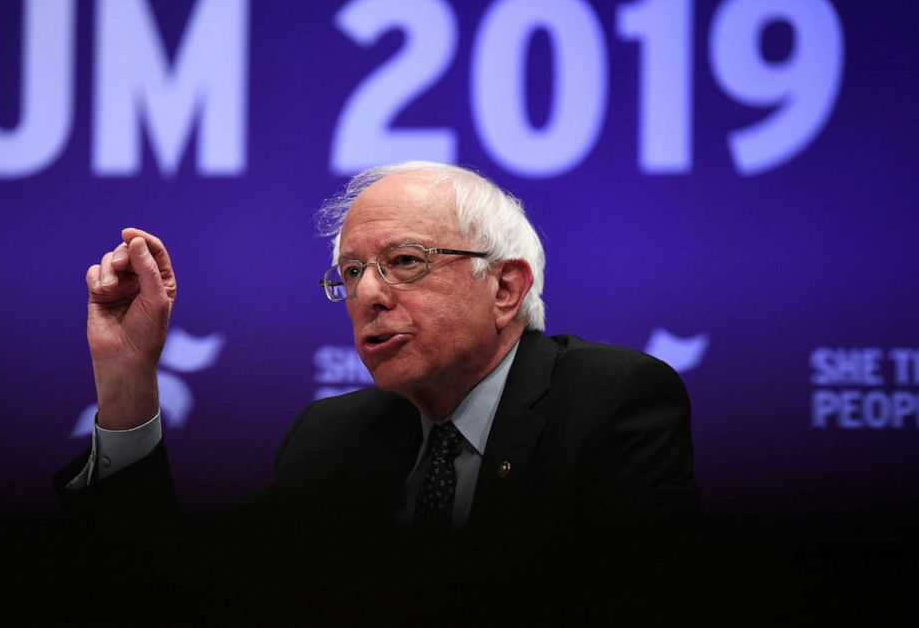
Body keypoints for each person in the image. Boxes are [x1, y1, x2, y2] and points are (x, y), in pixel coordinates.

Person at [54, 161, 699, 622]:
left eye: (406, 263)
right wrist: (127, 373)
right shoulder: (334, 437)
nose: (367, 295)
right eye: (352, 272)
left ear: (505, 289)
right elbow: (169, 591)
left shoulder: (613, 402)